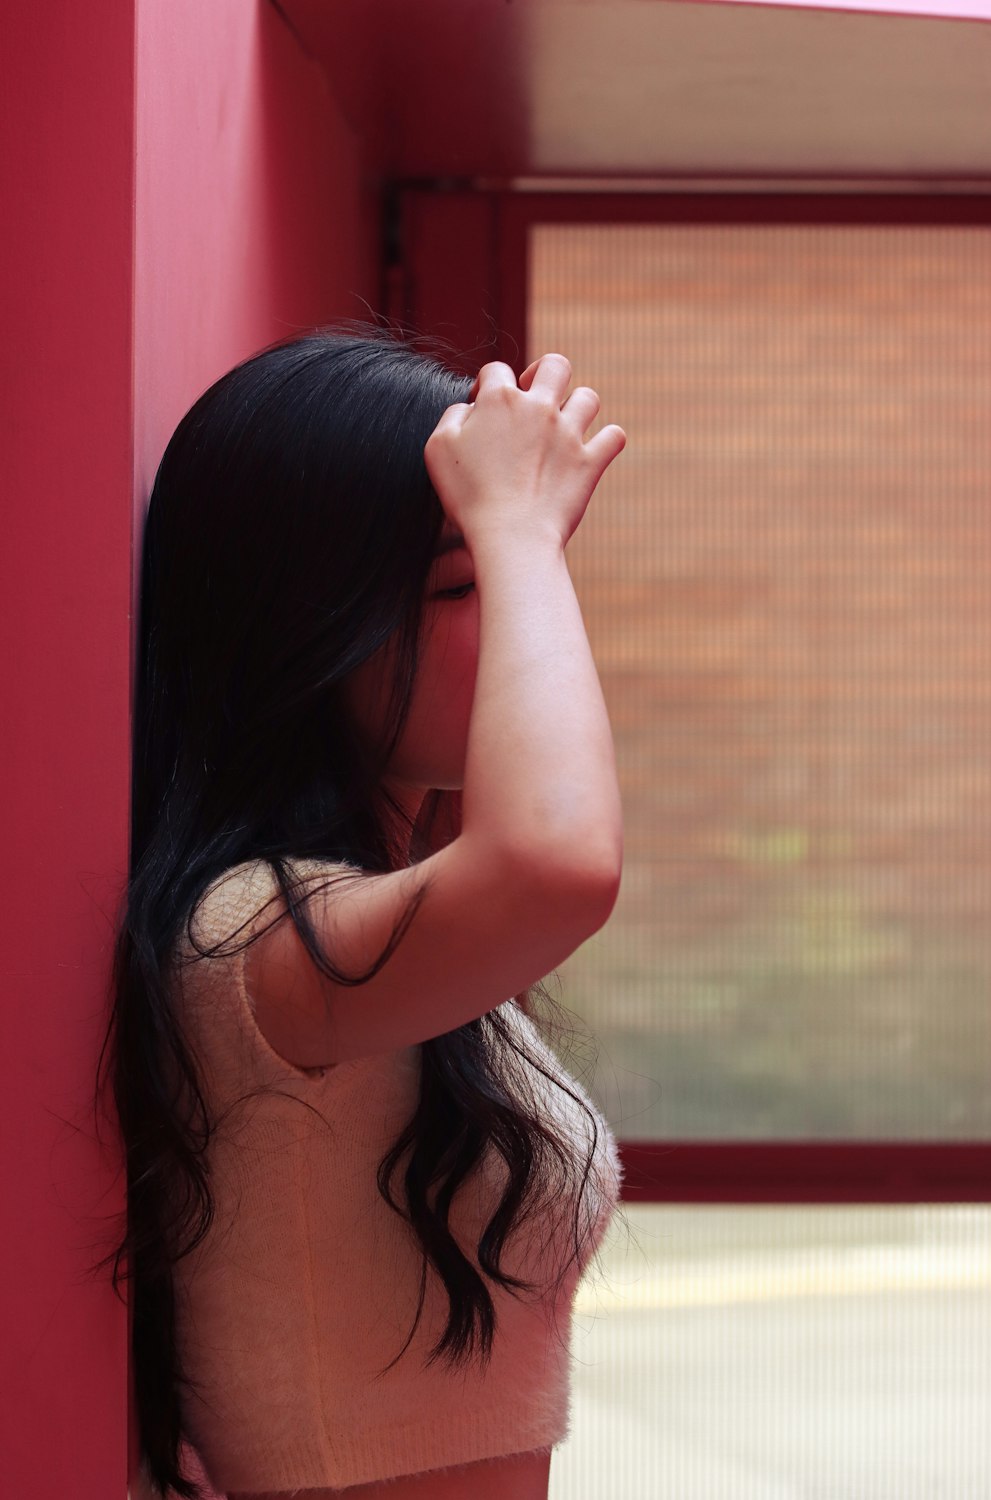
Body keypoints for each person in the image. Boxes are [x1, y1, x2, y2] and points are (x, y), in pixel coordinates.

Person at [94, 321, 628, 1500]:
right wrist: (522, 528)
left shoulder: (366, 924)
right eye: (459, 581)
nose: (515, 620)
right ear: (308, 623)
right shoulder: (247, 938)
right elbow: (558, 866)